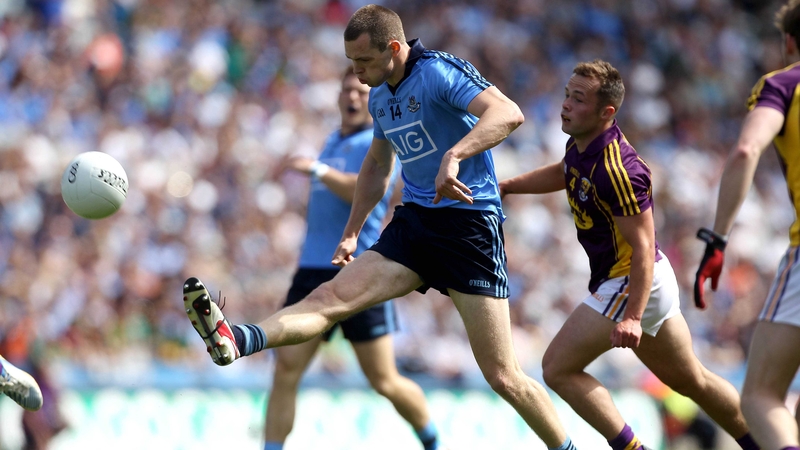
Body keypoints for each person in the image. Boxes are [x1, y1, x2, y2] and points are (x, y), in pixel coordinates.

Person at [182, 4, 579, 450]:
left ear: (394, 48)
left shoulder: (437, 73)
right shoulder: (379, 95)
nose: (357, 71)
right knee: (329, 297)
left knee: (503, 375)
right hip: (415, 224)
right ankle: (238, 338)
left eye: (364, 62)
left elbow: (507, 113)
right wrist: (352, 231)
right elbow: (377, 164)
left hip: (469, 226)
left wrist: (455, 155)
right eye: (352, 62)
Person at [499, 59, 758, 450]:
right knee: (693, 381)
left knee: (557, 368)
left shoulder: (620, 170)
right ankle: (764, 442)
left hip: (632, 281)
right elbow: (566, 172)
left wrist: (634, 317)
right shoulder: (581, 142)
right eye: (568, 94)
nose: (566, 105)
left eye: (578, 99)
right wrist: (510, 186)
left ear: (607, 113)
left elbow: (643, 246)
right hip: (643, 280)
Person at [262, 68, 442, 450]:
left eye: (361, 91)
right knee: (286, 370)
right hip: (312, 271)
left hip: (359, 270)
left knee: (383, 380)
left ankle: (432, 440)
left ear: (372, 99)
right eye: (346, 90)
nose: (353, 97)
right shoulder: (332, 140)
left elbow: (358, 190)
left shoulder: (375, 143)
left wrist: (317, 169)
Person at [694, 2, 800, 449]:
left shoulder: (784, 84)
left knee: (760, 395)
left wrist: (717, 239)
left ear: (789, 43)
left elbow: (745, 151)